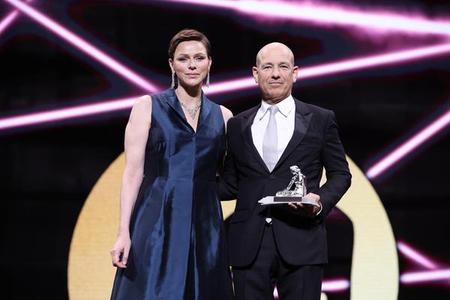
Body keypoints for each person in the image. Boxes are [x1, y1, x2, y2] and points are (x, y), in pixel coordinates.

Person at [219, 42, 352, 300]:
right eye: (268, 67)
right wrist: (184, 184)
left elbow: (341, 174)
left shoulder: (320, 119)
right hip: (249, 244)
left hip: (302, 240)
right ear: (256, 74)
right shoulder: (237, 125)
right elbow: (232, 185)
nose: (276, 73)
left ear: (295, 73)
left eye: (283, 66)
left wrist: (319, 202)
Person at [110, 29, 233, 300]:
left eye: (199, 58)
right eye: (183, 58)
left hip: (205, 223)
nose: (192, 65)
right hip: (157, 217)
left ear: (209, 63)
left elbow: (231, 177)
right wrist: (123, 233)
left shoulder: (223, 116)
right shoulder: (147, 107)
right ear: (171, 64)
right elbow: (132, 173)